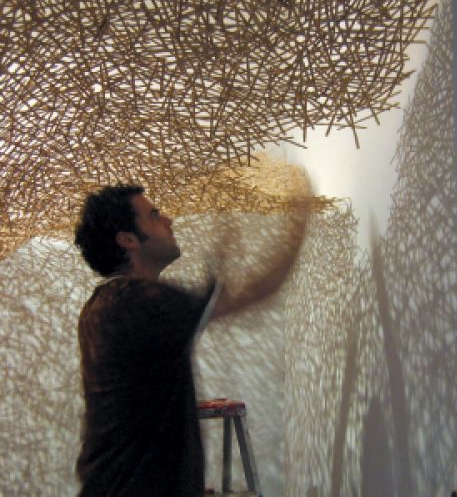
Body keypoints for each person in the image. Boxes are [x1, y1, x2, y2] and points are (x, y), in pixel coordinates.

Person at [74, 183, 310, 496]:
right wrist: (300, 217)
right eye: (154, 215)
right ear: (128, 239)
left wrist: (223, 249)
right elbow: (255, 291)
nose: (168, 220)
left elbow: (212, 300)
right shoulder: (139, 302)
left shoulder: (106, 303)